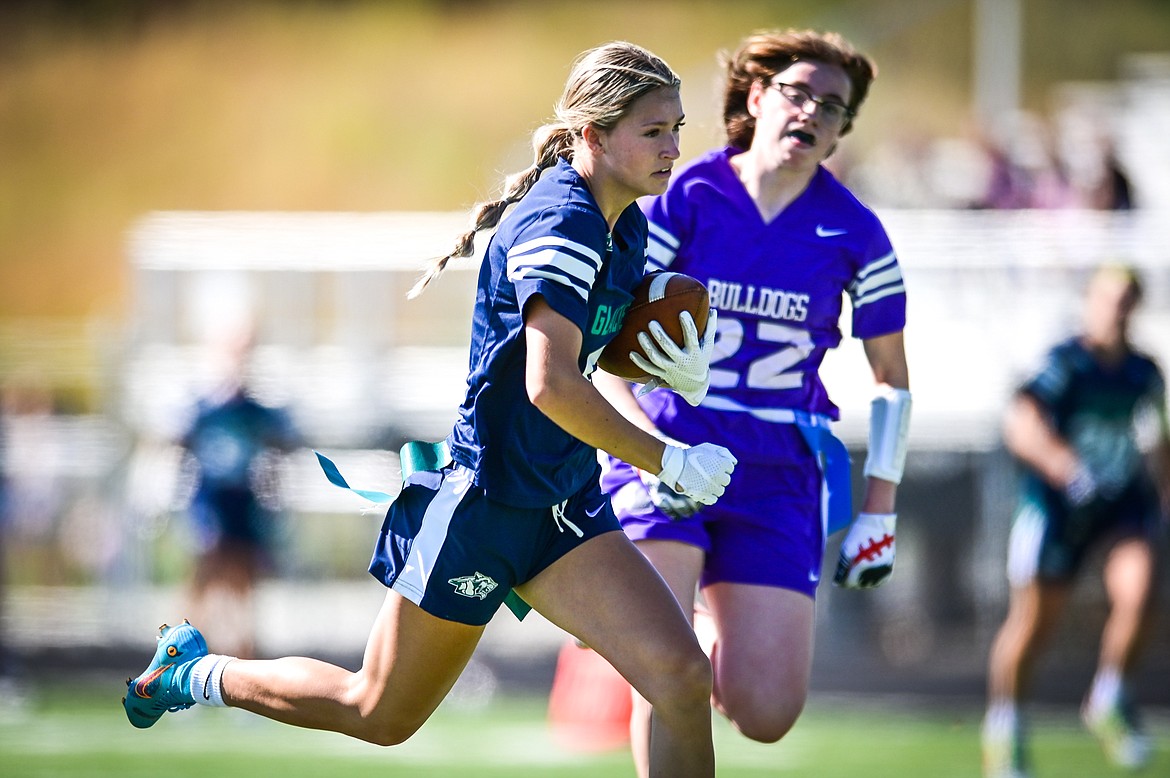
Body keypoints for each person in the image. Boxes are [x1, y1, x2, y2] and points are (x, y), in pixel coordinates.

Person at [123, 41, 736, 778]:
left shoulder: (624, 224)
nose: (674, 148)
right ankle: (195, 674)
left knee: (681, 676)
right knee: (376, 712)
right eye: (654, 131)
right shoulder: (564, 222)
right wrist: (663, 459)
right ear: (594, 136)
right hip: (485, 508)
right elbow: (548, 384)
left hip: (563, 504)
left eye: (678, 128)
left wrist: (669, 369)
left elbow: (587, 356)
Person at [587, 29, 911, 775]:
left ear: (842, 130)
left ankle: (695, 628)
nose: (813, 113)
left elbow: (892, 378)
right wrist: (648, 455)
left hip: (776, 472)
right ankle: (669, 634)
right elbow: (605, 350)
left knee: (765, 713)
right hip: (669, 446)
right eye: (799, 93)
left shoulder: (856, 232)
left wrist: (881, 506)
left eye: (832, 106)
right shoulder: (685, 197)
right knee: (666, 670)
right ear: (758, 97)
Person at [982, 264, 1169, 778]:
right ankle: (1006, 726)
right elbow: (1022, 424)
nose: (1119, 309)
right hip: (1058, 508)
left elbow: (1159, 434)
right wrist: (1067, 467)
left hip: (1118, 504)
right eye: (1110, 298)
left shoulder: (1144, 372)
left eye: (1128, 298)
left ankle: (1109, 696)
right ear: (1091, 303)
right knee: (1035, 626)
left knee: (1141, 587)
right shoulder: (1066, 364)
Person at [177, 327, 301, 659]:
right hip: (209, 503)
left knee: (243, 585)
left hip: (242, 503)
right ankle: (182, 662)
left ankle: (240, 664)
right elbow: (178, 441)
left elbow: (286, 441)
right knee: (204, 582)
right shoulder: (204, 407)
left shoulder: (256, 410)